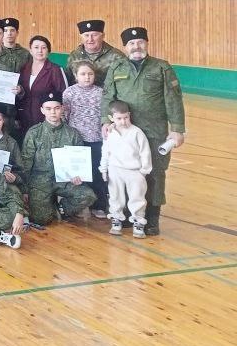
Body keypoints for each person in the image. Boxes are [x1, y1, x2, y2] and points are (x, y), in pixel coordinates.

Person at [100, 27, 185, 236]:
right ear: (125, 47)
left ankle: (152, 219)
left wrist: (177, 129)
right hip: (124, 132)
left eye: (140, 42)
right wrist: (105, 120)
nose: (136, 46)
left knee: (155, 174)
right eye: (131, 43)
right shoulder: (117, 67)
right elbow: (108, 96)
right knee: (124, 173)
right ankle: (128, 215)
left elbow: (173, 99)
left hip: (154, 131)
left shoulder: (161, 67)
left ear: (146, 43)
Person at [20, 91, 97, 226]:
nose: (53, 112)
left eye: (56, 108)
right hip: (40, 181)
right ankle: (48, 205)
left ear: (62, 108)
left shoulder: (72, 134)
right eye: (48, 109)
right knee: (41, 220)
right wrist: (24, 190)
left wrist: (78, 176)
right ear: (42, 110)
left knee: (88, 195)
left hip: (65, 180)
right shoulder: (34, 133)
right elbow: (26, 163)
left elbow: (80, 162)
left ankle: (62, 208)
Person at [100, 100, 152, 238]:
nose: (123, 121)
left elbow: (145, 152)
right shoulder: (109, 133)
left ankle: (138, 222)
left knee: (137, 197)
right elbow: (105, 152)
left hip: (134, 171)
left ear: (129, 115)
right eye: (119, 118)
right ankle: (116, 219)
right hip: (115, 170)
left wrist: (144, 170)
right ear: (111, 118)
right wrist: (104, 169)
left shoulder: (137, 132)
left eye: (126, 117)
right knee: (115, 196)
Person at [62, 60, 107, 218]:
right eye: (83, 74)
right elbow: (65, 116)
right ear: (76, 76)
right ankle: (80, 205)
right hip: (77, 140)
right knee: (79, 174)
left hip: (96, 139)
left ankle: (99, 205)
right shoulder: (69, 93)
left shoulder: (101, 92)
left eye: (90, 74)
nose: (87, 77)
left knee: (97, 173)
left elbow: (104, 115)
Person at [15, 35, 68, 138]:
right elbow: (20, 94)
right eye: (36, 47)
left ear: (48, 51)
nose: (40, 50)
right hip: (24, 119)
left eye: (43, 48)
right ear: (30, 50)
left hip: (47, 120)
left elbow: (64, 95)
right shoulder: (23, 69)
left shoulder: (55, 70)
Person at [66, 19, 127, 86]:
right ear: (81, 37)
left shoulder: (117, 56)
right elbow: (69, 82)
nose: (90, 39)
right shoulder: (74, 56)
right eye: (86, 35)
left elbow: (124, 84)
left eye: (94, 35)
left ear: (103, 36)